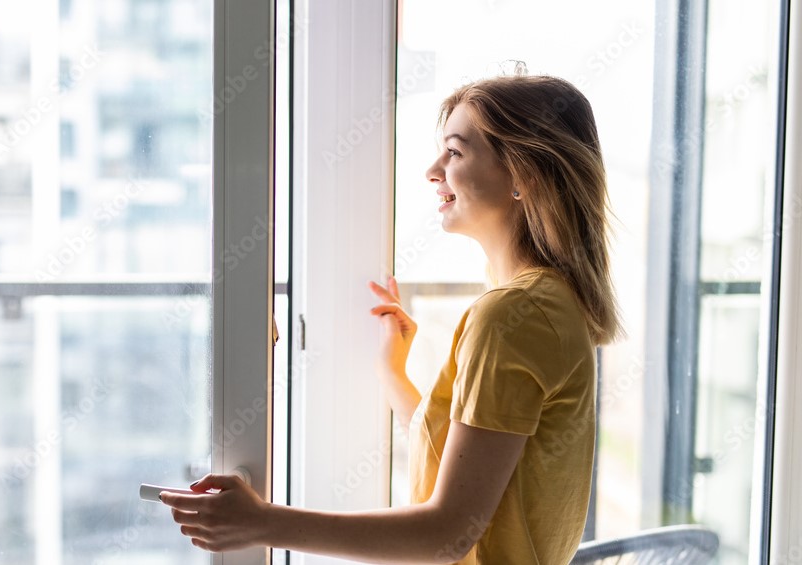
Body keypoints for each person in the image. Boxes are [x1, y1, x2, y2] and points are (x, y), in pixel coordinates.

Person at [160, 74, 622, 564]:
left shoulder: (516, 315)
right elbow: (473, 466)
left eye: (455, 152)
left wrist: (260, 523)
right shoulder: (544, 303)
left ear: (524, 176)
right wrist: (393, 373)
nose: (432, 170)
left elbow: (445, 533)